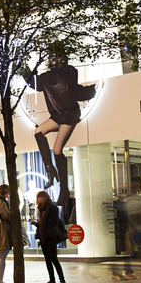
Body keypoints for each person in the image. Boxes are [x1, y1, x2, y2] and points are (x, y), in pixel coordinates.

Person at [24, 49, 94, 208]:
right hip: (58, 115)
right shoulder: (52, 76)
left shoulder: (66, 73)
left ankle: (64, 191)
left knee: (57, 149)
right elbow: (33, 82)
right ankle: (50, 171)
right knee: (39, 131)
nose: (52, 60)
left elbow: (76, 92)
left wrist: (93, 90)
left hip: (69, 115)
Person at [32, 191, 67, 283]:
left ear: (45, 197)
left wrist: (43, 223)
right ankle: (52, 281)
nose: (38, 199)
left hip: (51, 236)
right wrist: (37, 224)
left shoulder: (51, 207)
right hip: (43, 236)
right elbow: (42, 223)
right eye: (38, 197)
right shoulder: (40, 209)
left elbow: (54, 221)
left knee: (54, 259)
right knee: (48, 260)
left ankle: (62, 281)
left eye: (40, 197)